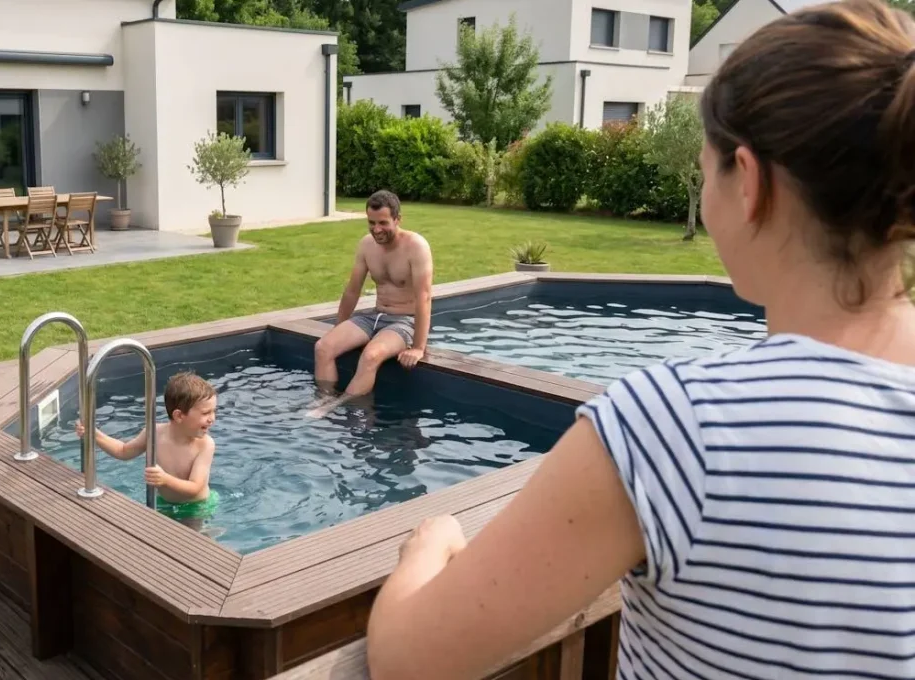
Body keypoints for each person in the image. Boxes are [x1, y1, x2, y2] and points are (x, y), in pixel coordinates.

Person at [364, 1, 915, 678]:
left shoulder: (682, 428)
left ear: (749, 181)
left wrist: (431, 541)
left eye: (709, 165)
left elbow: (406, 660)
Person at [308, 190, 433, 417]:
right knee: (323, 347)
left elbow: (424, 297)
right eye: (371, 223)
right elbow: (352, 290)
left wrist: (418, 348)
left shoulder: (417, 247)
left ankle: (337, 407)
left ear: (398, 219)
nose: (376, 229)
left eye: (383, 223)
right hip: (374, 315)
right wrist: (340, 328)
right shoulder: (367, 245)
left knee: (371, 356)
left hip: (404, 321)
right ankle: (324, 400)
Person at [77, 370, 218, 529]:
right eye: (206, 413)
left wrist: (165, 479)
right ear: (179, 416)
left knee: (191, 542)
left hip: (195, 508)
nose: (212, 418)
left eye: (214, 411)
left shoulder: (205, 445)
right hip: (165, 503)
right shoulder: (154, 433)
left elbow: (195, 487)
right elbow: (123, 451)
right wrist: (94, 434)